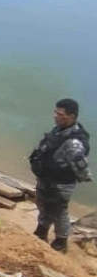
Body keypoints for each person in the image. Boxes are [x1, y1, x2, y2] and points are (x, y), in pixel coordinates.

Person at [28, 98, 92, 253]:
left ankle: (60, 242)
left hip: (60, 184)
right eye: (55, 112)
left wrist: (84, 179)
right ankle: (41, 232)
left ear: (71, 117)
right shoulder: (59, 131)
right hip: (47, 179)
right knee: (43, 205)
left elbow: (82, 169)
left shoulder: (73, 143)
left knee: (59, 211)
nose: (55, 116)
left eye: (59, 113)